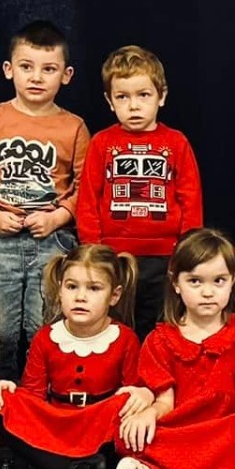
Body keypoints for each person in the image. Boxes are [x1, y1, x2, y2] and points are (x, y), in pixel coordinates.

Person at [0, 19, 89, 378]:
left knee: (48, 327)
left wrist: (57, 217)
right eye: (27, 67)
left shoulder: (74, 127)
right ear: (9, 69)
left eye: (49, 69)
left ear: (67, 75)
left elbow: (86, 189)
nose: (36, 77)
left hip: (53, 242)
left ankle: (43, 395)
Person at [111, 228, 235, 469]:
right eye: (195, 281)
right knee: (129, 428)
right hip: (182, 428)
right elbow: (165, 402)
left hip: (225, 425)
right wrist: (149, 414)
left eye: (218, 281)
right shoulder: (160, 340)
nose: (207, 292)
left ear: (233, 279)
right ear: (176, 283)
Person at [0, 243, 148, 469]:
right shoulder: (46, 337)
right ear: (60, 290)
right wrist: (6, 388)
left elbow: (130, 393)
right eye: (72, 287)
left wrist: (140, 394)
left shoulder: (125, 339)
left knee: (127, 403)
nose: (80, 297)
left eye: (94, 288)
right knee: (5, 400)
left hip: (97, 420)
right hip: (55, 420)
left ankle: (36, 465)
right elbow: (33, 394)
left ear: (114, 296)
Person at [74, 45, 202, 334]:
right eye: (123, 97)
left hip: (166, 256)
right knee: (114, 326)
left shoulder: (176, 142)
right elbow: (88, 200)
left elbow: (191, 200)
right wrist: (95, 250)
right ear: (109, 101)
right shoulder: (101, 143)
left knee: (159, 326)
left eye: (143, 95)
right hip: (114, 256)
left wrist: (187, 252)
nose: (133, 106)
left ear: (161, 96)